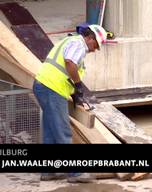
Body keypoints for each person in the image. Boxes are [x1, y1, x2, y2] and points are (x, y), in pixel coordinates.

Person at [33, 23, 107, 183]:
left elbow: (65, 68)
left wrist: (74, 93)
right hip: (52, 89)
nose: (95, 49)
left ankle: (48, 171)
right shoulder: (78, 44)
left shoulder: (70, 42)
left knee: (51, 132)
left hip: (44, 86)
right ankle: (76, 172)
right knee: (63, 132)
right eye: (96, 45)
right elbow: (69, 63)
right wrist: (78, 84)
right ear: (90, 38)